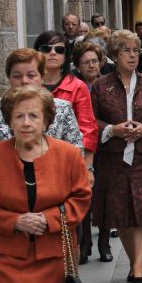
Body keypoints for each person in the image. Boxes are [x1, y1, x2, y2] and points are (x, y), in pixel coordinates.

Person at [0, 86, 90, 283]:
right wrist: (14, 221)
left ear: (47, 120)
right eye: (19, 116)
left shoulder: (68, 155)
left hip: (54, 253)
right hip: (9, 257)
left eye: (33, 116)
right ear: (8, 121)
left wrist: (47, 220)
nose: (26, 123)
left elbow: (81, 198)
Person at [91, 30, 142, 283]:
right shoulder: (101, 86)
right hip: (113, 159)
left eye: (136, 50)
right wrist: (113, 130)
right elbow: (92, 120)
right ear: (114, 55)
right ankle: (134, 260)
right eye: (126, 50)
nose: (132, 55)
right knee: (121, 214)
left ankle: (138, 267)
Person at [34, 31, 97, 213]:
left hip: (67, 161)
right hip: (31, 159)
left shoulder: (77, 86)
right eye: (46, 48)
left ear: (66, 55)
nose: (53, 53)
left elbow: (87, 128)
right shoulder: (28, 85)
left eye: (59, 49)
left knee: (67, 215)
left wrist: (88, 167)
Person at [0, 49, 82, 151]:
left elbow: (76, 150)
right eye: (17, 76)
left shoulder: (62, 108)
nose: (24, 81)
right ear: (9, 78)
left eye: (31, 75)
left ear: (42, 77)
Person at [73, 42, 113, 262]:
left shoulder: (108, 85)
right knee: (85, 195)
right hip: (83, 147)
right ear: (78, 66)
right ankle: (85, 243)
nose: (91, 65)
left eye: (94, 61)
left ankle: (104, 243)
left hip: (107, 146)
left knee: (104, 195)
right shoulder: (76, 87)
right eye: (86, 62)